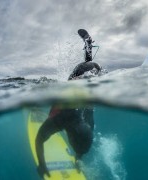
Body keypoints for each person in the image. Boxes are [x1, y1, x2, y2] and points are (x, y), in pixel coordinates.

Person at [35, 29, 102, 178]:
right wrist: (42, 165)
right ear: (71, 138)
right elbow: (39, 140)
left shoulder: (87, 120)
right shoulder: (64, 120)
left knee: (87, 69)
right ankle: (88, 45)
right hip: (86, 75)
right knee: (83, 72)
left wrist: (42, 164)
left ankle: (88, 44)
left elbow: (40, 139)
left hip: (93, 73)